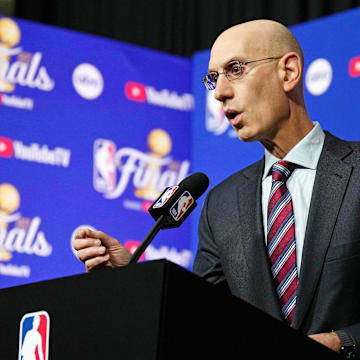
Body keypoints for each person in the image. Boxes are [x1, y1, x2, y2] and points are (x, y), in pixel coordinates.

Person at [73, 19, 360, 357]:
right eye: (213, 78)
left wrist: (343, 342)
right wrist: (132, 280)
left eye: (235, 69)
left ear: (289, 72)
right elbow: (200, 324)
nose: (220, 92)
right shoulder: (222, 204)